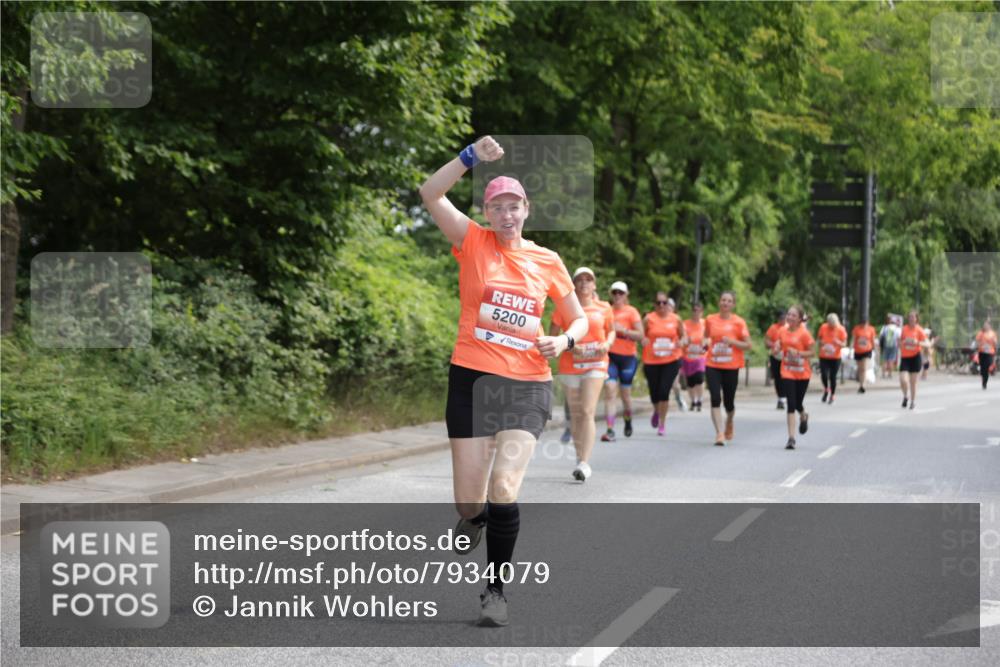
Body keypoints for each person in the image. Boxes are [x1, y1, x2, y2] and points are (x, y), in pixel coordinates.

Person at [420, 136, 589, 627]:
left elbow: (577, 319)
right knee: (470, 500)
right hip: (471, 379)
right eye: (497, 207)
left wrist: (565, 342)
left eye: (514, 206)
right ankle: (472, 521)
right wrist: (469, 156)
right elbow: (430, 193)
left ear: (526, 209)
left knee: (504, 486)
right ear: (487, 213)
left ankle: (495, 590)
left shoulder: (548, 261)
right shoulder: (472, 241)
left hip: (526, 383)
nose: (506, 215)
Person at [550, 267, 614, 481]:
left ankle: (585, 462)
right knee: (577, 414)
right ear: (574, 284)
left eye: (589, 279)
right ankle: (579, 458)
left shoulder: (604, 308)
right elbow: (553, 336)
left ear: (594, 285)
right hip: (571, 365)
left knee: (587, 411)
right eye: (580, 280)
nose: (584, 283)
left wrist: (607, 343)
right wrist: (568, 346)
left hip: (596, 364)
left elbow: (612, 330)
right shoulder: (563, 307)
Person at [703, 291, 752, 447]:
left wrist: (732, 342)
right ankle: (719, 433)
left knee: (729, 402)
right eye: (723, 300)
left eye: (729, 301)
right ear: (719, 302)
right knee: (715, 398)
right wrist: (705, 342)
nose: (725, 303)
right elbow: (705, 336)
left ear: (733, 305)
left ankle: (729, 420)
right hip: (713, 364)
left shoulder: (739, 322)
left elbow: (748, 345)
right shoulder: (710, 319)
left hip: (731, 366)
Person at [601, 281, 643, 441]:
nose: (617, 296)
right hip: (610, 356)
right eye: (615, 293)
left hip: (628, 358)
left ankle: (628, 418)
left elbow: (640, 335)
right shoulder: (607, 311)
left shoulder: (632, 312)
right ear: (611, 294)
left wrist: (624, 330)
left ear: (626, 295)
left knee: (625, 395)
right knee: (610, 391)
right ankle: (610, 429)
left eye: (621, 293)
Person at [641, 293, 687, 437]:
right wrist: (642, 340)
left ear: (668, 304)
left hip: (671, 360)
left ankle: (662, 423)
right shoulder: (648, 318)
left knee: (664, 391)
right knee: (654, 393)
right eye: (658, 303)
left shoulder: (676, 319)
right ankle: (656, 410)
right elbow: (640, 334)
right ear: (654, 304)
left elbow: (684, 336)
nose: (661, 305)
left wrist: (682, 342)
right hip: (651, 360)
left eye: (664, 302)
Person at [774, 305, 814, 450]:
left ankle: (803, 415)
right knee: (791, 403)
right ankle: (791, 438)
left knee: (798, 403)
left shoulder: (804, 334)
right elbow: (778, 343)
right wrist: (777, 348)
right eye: (788, 315)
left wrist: (798, 353)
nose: (789, 317)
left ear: (799, 319)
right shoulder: (782, 330)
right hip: (787, 371)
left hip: (803, 372)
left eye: (793, 315)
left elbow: (811, 353)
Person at [898, 310, 930, 410]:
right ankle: (905, 396)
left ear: (916, 319)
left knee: (913, 382)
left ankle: (912, 401)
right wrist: (902, 343)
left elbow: (927, 344)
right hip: (905, 357)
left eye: (913, 317)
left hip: (915, 357)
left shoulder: (919, 330)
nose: (911, 319)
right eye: (910, 317)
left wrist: (917, 342)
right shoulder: (904, 329)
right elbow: (900, 341)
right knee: (903, 380)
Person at [682, 302, 708, 412]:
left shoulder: (705, 324)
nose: (696, 313)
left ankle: (700, 400)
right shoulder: (685, 324)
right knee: (690, 381)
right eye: (694, 310)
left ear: (702, 312)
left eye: (698, 311)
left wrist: (706, 345)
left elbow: (709, 337)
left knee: (699, 378)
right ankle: (693, 401)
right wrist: (686, 340)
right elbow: (682, 337)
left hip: (700, 356)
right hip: (688, 356)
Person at [817, 313, 847, 404]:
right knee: (824, 375)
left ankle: (832, 395)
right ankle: (826, 389)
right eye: (829, 324)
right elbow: (818, 340)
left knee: (833, 377)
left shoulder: (841, 329)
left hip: (835, 357)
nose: (831, 326)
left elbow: (845, 344)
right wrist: (821, 343)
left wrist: (838, 343)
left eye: (832, 324)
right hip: (824, 356)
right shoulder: (823, 327)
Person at [765, 310, 788, 410]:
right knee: (777, 378)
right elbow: (766, 342)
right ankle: (781, 398)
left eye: (784, 318)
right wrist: (774, 344)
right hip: (775, 356)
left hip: (787, 357)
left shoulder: (789, 328)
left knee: (785, 377)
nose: (783, 320)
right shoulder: (773, 328)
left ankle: (784, 398)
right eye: (781, 318)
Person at [851, 316, 878, 393]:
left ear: (867, 322)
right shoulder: (856, 329)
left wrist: (874, 349)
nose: (863, 325)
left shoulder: (871, 329)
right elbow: (853, 339)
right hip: (857, 350)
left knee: (863, 368)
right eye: (862, 323)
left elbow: (872, 340)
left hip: (867, 350)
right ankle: (860, 382)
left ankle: (862, 386)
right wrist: (850, 349)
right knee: (859, 368)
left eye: (865, 323)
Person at [975, 320, 997, 390]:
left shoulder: (992, 333)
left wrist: (994, 343)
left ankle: (990, 372)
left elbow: (995, 342)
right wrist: (980, 345)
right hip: (982, 352)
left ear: (989, 326)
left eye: (987, 325)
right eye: (985, 325)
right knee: (983, 368)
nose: (986, 326)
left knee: (988, 365)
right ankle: (984, 381)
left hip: (990, 352)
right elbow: (977, 341)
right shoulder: (981, 333)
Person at [879, 315, 900, 379]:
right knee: (891, 360)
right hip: (894, 345)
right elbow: (899, 338)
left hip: (886, 345)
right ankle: (890, 374)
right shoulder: (896, 328)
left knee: (885, 360)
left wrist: (880, 345)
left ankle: (883, 374)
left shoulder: (885, 327)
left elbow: (881, 336)